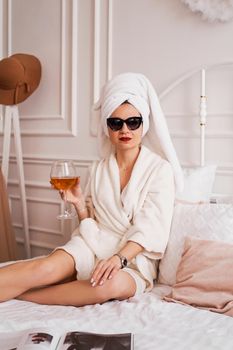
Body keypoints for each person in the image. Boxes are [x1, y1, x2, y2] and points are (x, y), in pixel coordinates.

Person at [0, 73, 183, 306]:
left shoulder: (160, 169)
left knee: (108, 286)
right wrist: (78, 204)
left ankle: (20, 297)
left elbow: (150, 229)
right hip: (91, 243)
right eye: (115, 123)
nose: (124, 129)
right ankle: (19, 290)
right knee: (44, 268)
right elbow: (92, 222)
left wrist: (118, 259)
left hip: (133, 259)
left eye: (133, 122)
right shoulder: (98, 168)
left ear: (144, 124)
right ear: (107, 128)